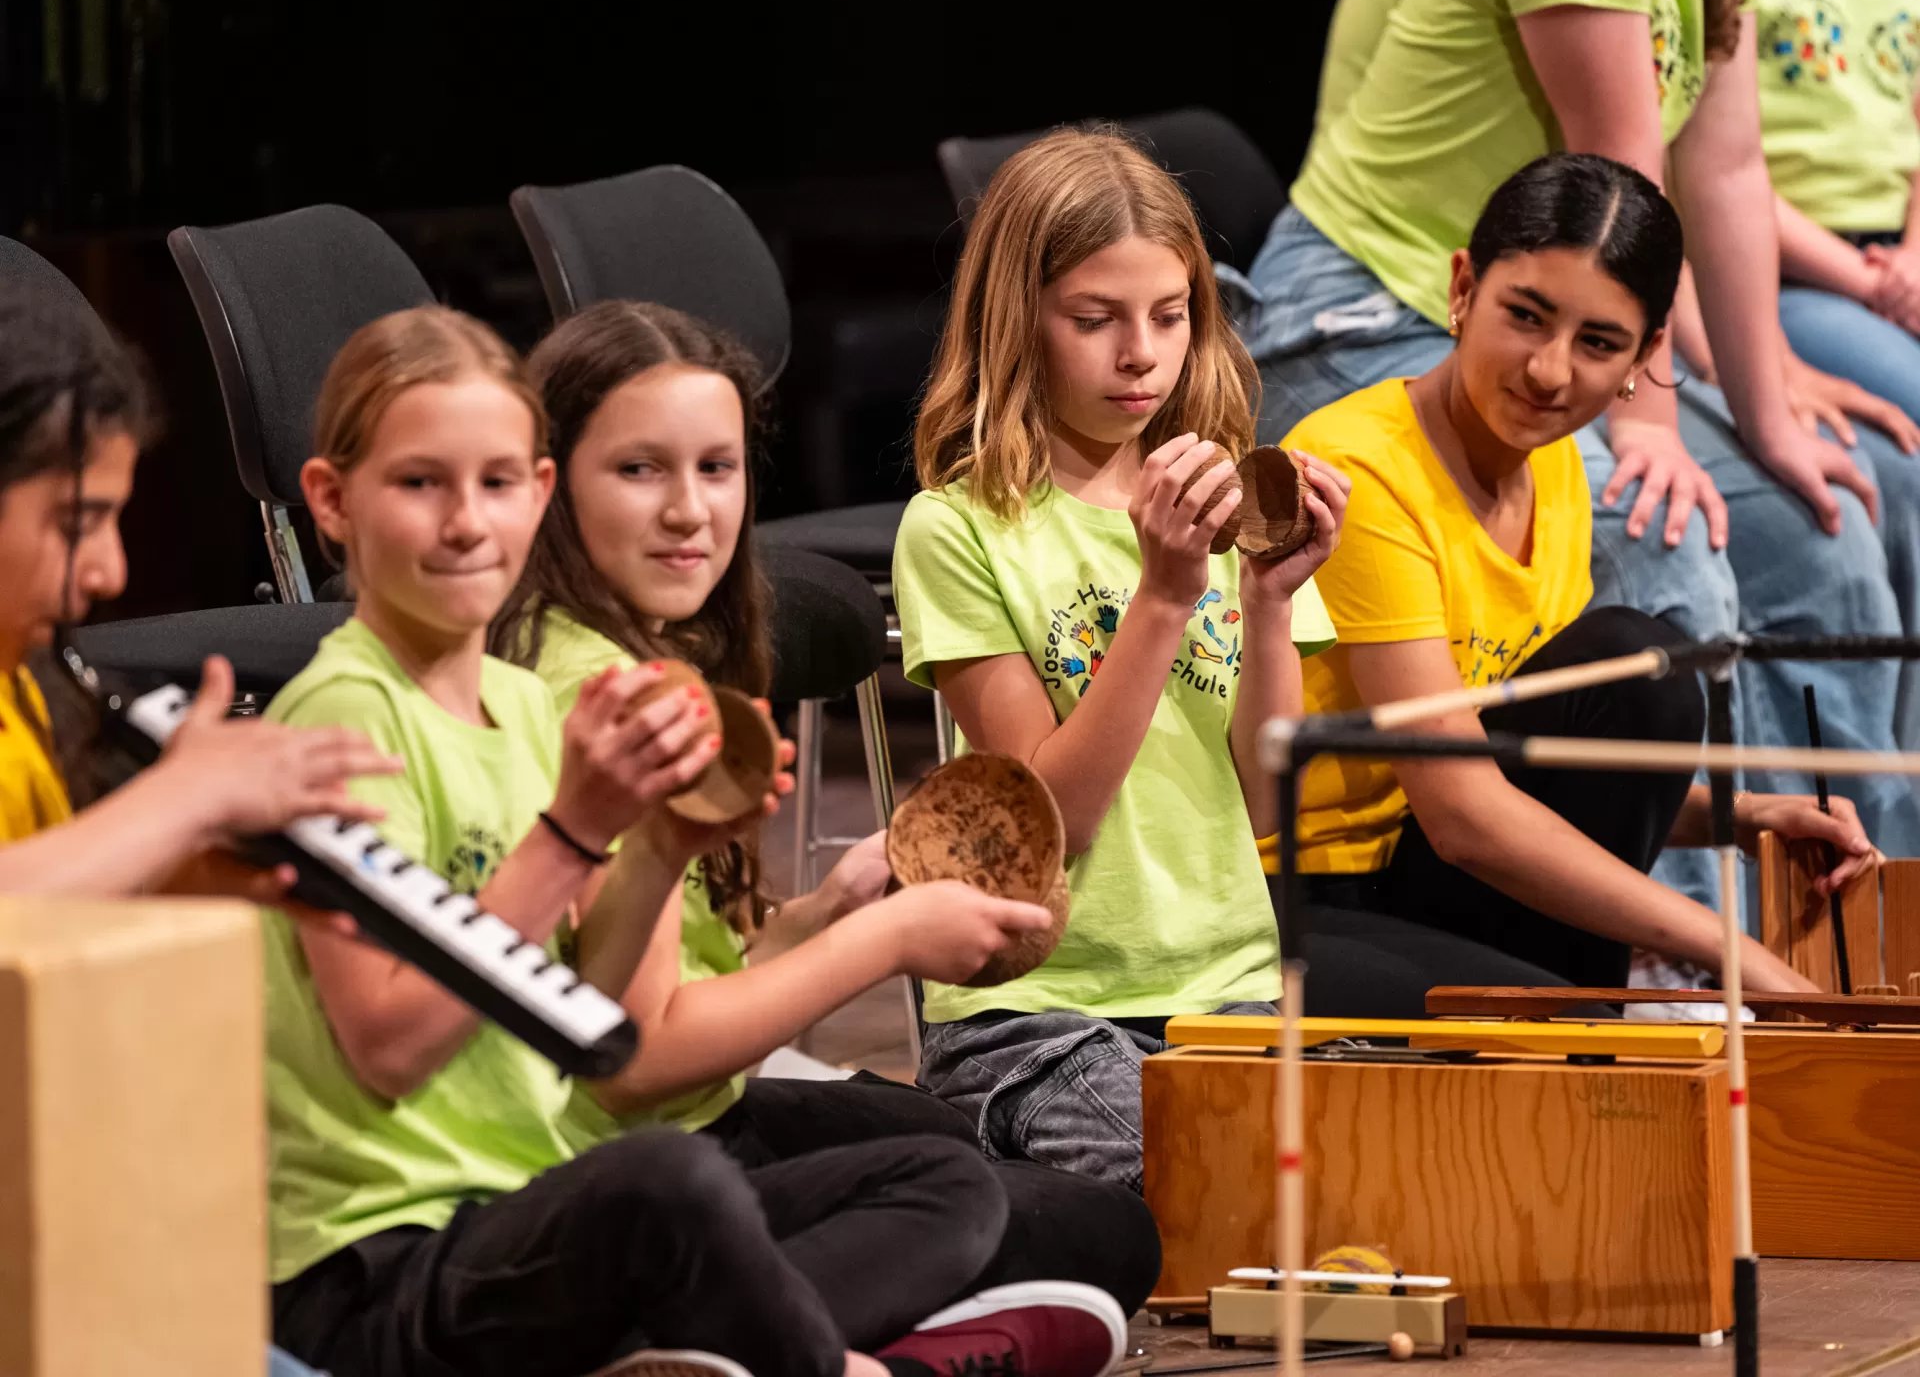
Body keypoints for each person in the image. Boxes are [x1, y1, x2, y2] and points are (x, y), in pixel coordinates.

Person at [260, 304, 1125, 1377]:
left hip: (528, 1214)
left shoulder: (522, 711)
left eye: (493, 485)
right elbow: (391, 1043)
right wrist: (580, 832)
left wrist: (665, 847)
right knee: (676, 1184)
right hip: (382, 1270)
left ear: (535, 495)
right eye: (419, 485)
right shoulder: (338, 718)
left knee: (938, 1176)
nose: (466, 524)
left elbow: (599, 1028)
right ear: (333, 504)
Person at [893, 127, 1578, 1191]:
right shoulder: (960, 527)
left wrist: (1266, 600)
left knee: (1407, 1176)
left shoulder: (1215, 501)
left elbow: (1266, 800)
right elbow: (1052, 825)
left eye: (1169, 318)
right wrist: (1166, 596)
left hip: (1231, 992)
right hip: (1045, 1014)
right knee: (1202, 1183)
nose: (1140, 355)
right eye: (1096, 319)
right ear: (1016, 320)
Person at [490, 296, 1162, 1319]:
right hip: (608, 1161)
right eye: (639, 470)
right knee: (1078, 1227)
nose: (689, 511)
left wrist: (828, 911)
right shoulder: (614, 700)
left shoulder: (624, 649)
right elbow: (643, 1059)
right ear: (550, 485)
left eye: (716, 469)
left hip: (666, 1129)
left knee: (944, 1147)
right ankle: (717, 1328)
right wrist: (886, 940)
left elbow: (668, 989)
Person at [1243, 0, 1920, 921]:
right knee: (1666, 552)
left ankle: (1865, 940)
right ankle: (1691, 982)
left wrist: (1766, 410)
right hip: (1379, 302)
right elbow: (1622, 186)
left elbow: (1722, 168)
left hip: (1571, 309)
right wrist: (1647, 416)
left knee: (1824, 535)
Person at [1292, 153, 1876, 995]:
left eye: (1598, 342)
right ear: (1462, 289)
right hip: (1322, 890)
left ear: (1645, 353)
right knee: (1639, 665)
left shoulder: (1554, 463)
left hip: (1426, 864)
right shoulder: (1360, 470)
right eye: (1525, 316)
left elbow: (1558, 770)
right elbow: (1463, 816)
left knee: (1643, 678)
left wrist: (1749, 819)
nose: (1550, 371)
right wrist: (1727, 948)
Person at [0, 293, 413, 1377]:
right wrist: (183, 798)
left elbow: (52, 922)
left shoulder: (27, 684)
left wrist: (229, 875)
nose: (109, 576)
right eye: (74, 522)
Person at [1759, 0, 1920, 750]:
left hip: (1900, 256)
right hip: (1793, 272)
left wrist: (1915, 258)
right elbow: (1717, 166)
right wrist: (1875, 284)